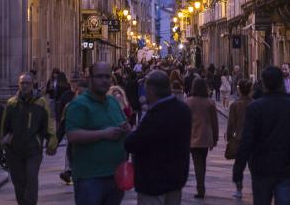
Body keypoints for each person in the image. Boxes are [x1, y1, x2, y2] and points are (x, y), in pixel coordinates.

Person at [233, 66, 290, 205]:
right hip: (286, 169)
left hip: (261, 170)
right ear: (282, 82)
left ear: (264, 84)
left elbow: (246, 141)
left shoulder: (255, 108)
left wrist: (238, 169)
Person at [66, 62, 130, 205]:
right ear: (90, 79)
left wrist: (126, 129)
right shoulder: (79, 104)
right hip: (91, 177)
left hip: (115, 175)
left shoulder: (113, 102)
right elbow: (72, 135)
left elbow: (123, 123)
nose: (104, 80)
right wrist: (103, 134)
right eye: (99, 76)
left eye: (107, 76)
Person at [125, 70, 192, 205]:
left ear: (151, 90)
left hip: (153, 181)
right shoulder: (183, 110)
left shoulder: (155, 116)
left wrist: (128, 133)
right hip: (176, 179)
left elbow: (133, 143)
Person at [1, 73, 58, 205]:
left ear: (33, 84)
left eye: (28, 83)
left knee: (31, 178)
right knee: (18, 181)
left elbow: (48, 122)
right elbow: (4, 126)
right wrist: (3, 142)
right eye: (22, 83)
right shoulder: (11, 103)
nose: (25, 86)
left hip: (33, 149)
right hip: (14, 150)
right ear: (18, 84)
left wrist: (51, 140)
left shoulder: (41, 102)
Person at [186, 77, 218, 198]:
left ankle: (201, 188)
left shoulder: (189, 102)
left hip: (193, 136)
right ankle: (201, 185)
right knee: (202, 162)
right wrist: (215, 138)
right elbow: (214, 123)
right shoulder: (210, 102)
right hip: (206, 136)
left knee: (198, 163)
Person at [226, 78, 253, 198]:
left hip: (239, 139)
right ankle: (257, 185)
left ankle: (239, 189)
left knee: (238, 166)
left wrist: (229, 136)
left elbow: (231, 123)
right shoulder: (255, 103)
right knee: (254, 165)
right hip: (254, 139)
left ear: (239, 90)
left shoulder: (235, 105)